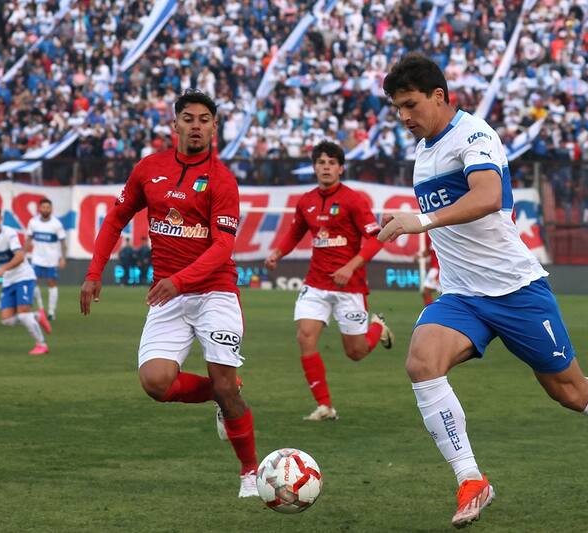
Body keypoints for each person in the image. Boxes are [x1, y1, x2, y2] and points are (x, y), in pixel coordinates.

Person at [379, 54, 588, 529]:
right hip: (462, 297)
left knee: (570, 391)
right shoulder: (424, 151)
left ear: (439, 96)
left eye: (410, 105)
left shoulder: (474, 134)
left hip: (516, 290)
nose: (404, 117)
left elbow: (488, 197)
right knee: (421, 362)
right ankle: (471, 478)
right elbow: (450, 228)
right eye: (397, 108)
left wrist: (422, 221)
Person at [79, 89, 259, 497]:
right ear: (174, 123)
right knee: (156, 383)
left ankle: (250, 471)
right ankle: (222, 391)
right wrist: (94, 272)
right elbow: (116, 219)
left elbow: (222, 249)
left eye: (204, 119)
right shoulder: (149, 169)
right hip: (170, 297)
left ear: (215, 126)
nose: (196, 126)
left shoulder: (222, 180)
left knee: (226, 386)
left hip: (214, 293)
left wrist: (180, 280)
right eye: (188, 118)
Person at [264, 141, 394, 421]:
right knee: (305, 336)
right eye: (321, 162)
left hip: (350, 286)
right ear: (314, 167)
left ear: (341, 168)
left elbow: (376, 238)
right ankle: (324, 406)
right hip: (316, 283)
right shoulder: (306, 201)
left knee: (356, 352)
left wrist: (351, 266)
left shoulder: (354, 200)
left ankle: (377, 327)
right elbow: (295, 232)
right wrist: (278, 252)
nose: (326, 167)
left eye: (332, 163)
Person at [0, 205, 50, 355]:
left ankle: (41, 344)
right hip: (8, 280)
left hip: (23, 276)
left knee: (23, 312)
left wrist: (2, 269)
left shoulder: (9, 233)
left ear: (0, 218)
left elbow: (20, 256)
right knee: (6, 320)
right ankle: (37, 316)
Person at [26, 198, 66, 323]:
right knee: (33, 282)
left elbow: (63, 242)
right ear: (40, 208)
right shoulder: (33, 222)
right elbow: (28, 239)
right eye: (43, 207)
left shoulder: (56, 224)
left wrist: (63, 258)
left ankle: (51, 312)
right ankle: (41, 309)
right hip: (37, 258)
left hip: (52, 260)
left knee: (51, 283)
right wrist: (22, 254)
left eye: (48, 207)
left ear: (51, 209)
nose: (45, 209)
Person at [420, 234, 440, 305]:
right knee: (426, 292)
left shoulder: (444, 231)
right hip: (435, 268)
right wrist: (419, 255)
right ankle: (431, 310)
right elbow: (427, 252)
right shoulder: (427, 234)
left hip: (441, 268)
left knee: (426, 291)